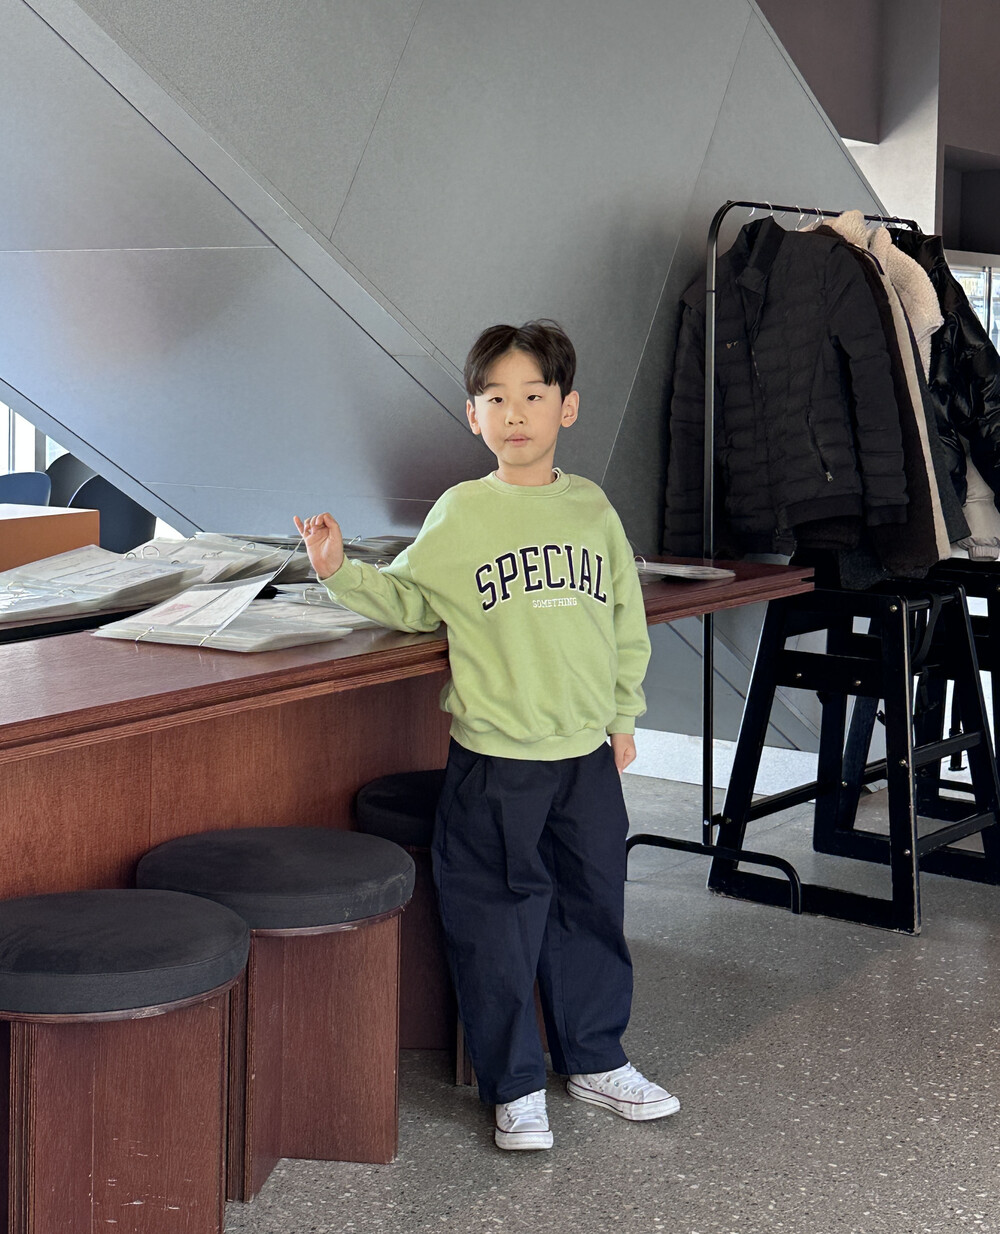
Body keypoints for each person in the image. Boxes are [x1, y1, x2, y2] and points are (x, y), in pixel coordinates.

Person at [295, 319, 679, 1150]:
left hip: (583, 756)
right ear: (474, 416)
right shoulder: (462, 513)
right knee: (496, 921)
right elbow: (409, 600)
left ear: (567, 408)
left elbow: (624, 622)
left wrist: (622, 717)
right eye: (496, 399)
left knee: (592, 907)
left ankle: (597, 1058)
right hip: (496, 760)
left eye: (533, 395)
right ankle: (515, 1087)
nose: (515, 414)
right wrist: (337, 572)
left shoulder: (592, 509)